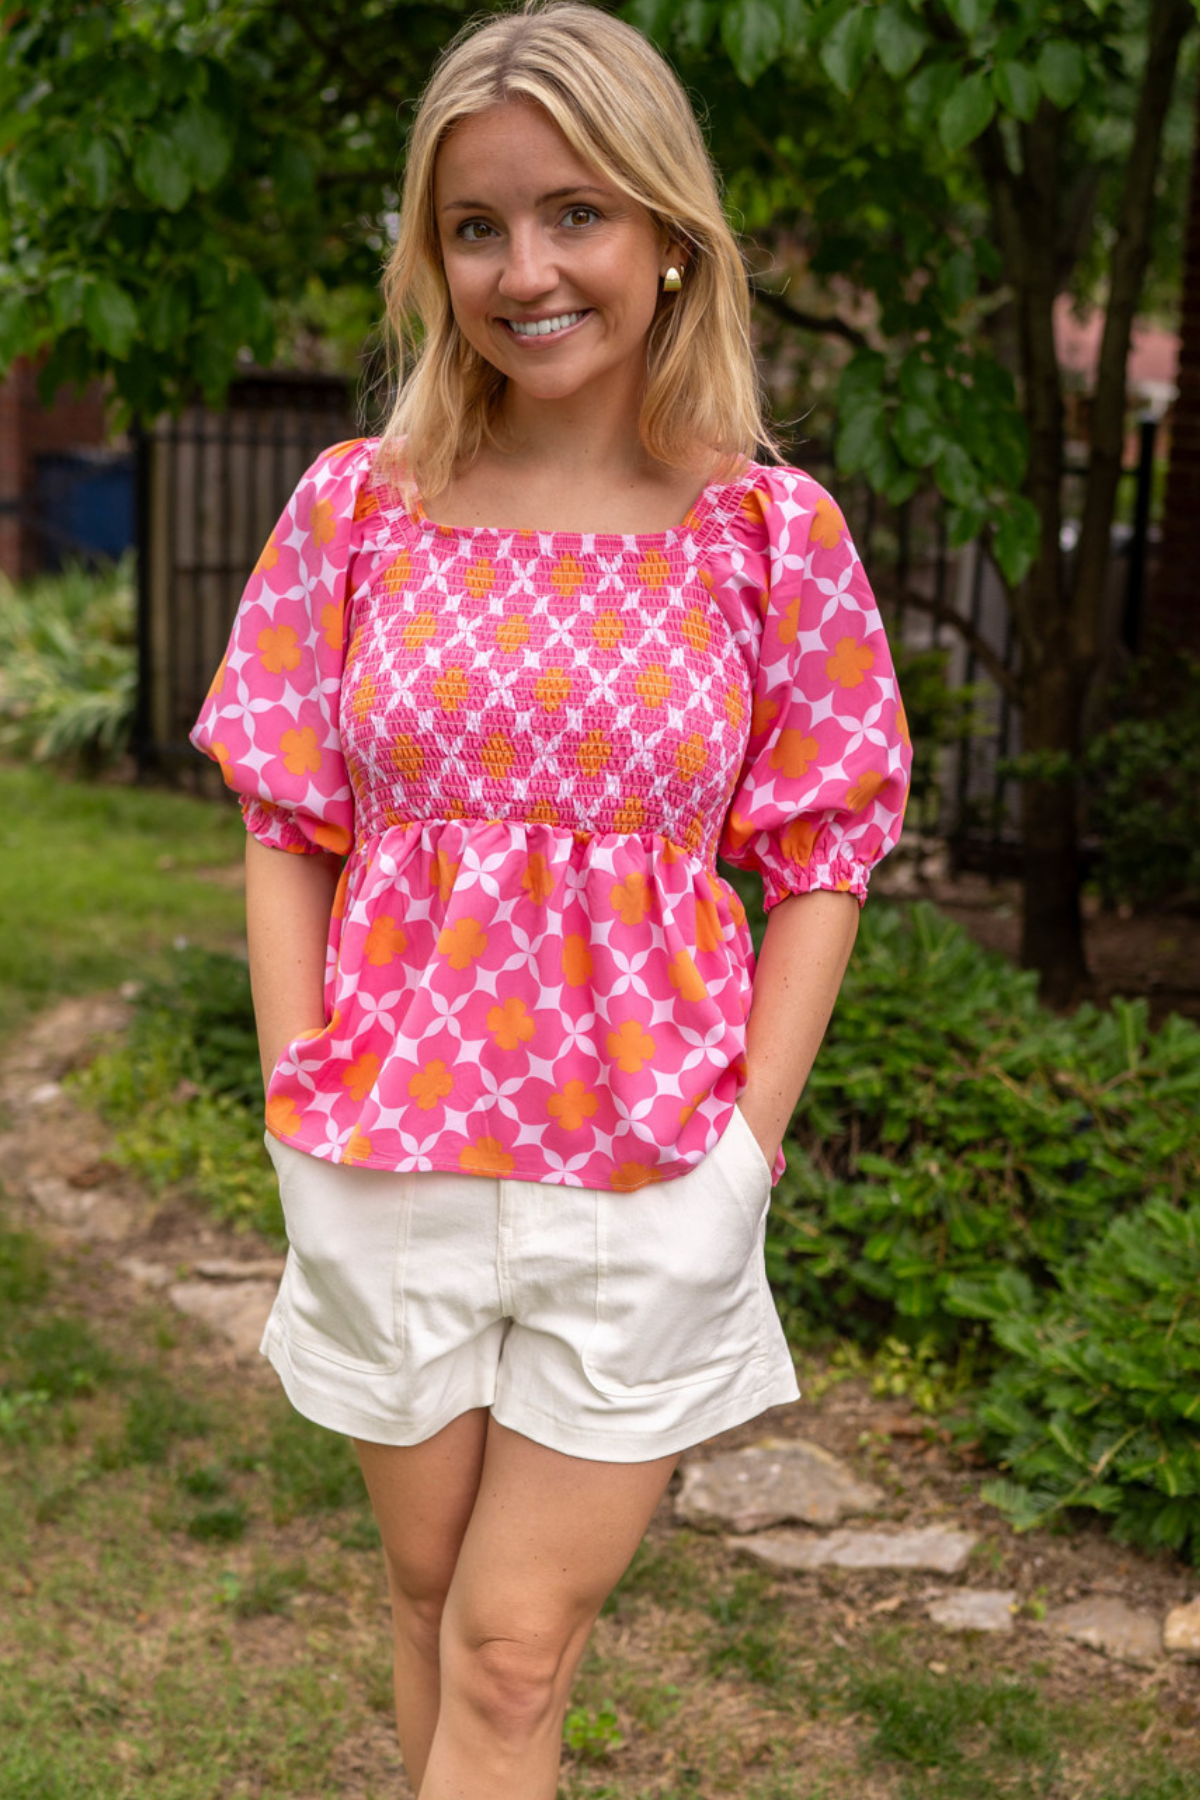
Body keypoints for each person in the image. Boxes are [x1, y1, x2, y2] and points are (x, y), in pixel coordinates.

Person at [191, 3, 910, 1793]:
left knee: (511, 1649)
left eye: (576, 212)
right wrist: (299, 1104)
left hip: (649, 1174)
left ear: (670, 232)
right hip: (385, 1155)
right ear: (433, 259)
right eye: (478, 225)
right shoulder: (359, 509)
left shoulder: (768, 535)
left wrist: (743, 1155)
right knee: (434, 1597)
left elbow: (825, 854)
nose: (529, 269)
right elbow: (290, 821)